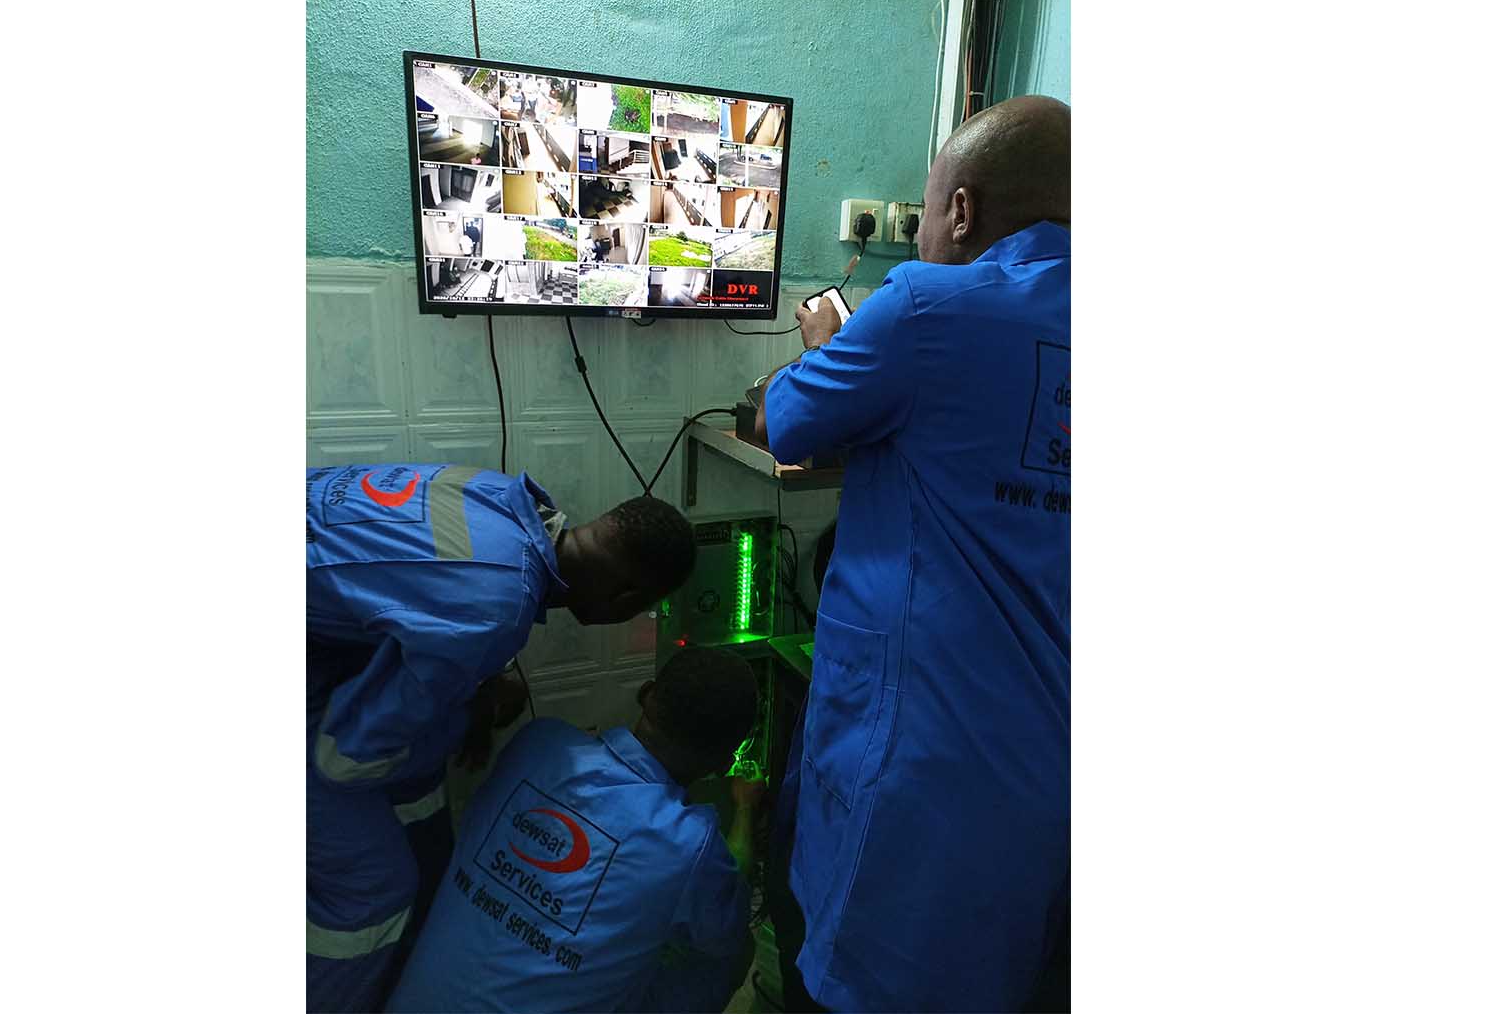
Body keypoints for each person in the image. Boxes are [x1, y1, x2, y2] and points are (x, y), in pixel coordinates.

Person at [751, 95, 1072, 1012]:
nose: (921, 234)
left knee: (855, 970)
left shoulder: (926, 305)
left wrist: (832, 344)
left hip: (921, 761)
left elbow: (785, 422)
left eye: (924, 213)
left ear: (961, 211)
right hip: (1053, 763)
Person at [306, 462, 697, 1013]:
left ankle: (408, 963)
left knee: (421, 775)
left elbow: (431, 582)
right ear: (625, 597)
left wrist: (476, 681)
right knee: (374, 888)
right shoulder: (496, 610)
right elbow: (341, 759)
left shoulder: (499, 495)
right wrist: (462, 709)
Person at [385, 647, 763, 1014]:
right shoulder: (690, 842)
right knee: (729, 952)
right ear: (723, 761)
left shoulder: (538, 742)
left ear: (646, 693)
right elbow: (727, 914)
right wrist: (745, 807)